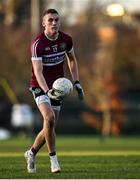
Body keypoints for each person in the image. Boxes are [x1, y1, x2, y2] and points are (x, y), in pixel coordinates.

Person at [24, 8, 84, 173]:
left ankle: (31, 153)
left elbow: (72, 60)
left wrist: (76, 82)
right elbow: (38, 71)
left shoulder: (66, 40)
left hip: (58, 88)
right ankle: (54, 160)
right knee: (49, 117)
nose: (54, 23)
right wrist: (46, 91)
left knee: (49, 126)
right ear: (43, 23)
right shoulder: (38, 44)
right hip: (39, 85)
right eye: (50, 20)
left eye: (56, 20)